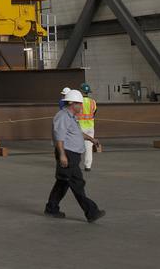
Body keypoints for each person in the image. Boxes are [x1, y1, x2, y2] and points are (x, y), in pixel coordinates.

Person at [45, 88, 104, 222]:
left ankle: (51, 208)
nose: (82, 106)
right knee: (77, 183)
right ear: (72, 104)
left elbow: (76, 133)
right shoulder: (62, 116)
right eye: (80, 103)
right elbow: (59, 137)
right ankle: (91, 212)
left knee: (63, 182)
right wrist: (62, 155)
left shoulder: (72, 117)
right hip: (67, 154)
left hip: (72, 154)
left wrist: (91, 139)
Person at [78, 82, 98, 171]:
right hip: (90, 127)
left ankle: (74, 164)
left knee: (76, 145)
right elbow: (94, 113)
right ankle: (88, 166)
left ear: (81, 91)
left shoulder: (78, 102)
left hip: (80, 127)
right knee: (89, 147)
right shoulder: (93, 102)